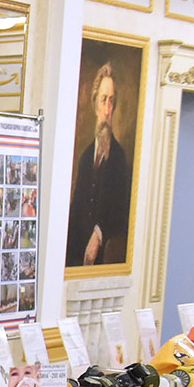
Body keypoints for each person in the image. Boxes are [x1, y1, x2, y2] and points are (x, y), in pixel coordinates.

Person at [67, 61, 133, 267]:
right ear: (95, 104)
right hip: (75, 253)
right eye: (103, 100)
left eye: (111, 101)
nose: (107, 110)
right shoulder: (86, 156)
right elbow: (76, 209)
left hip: (103, 257)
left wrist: (98, 233)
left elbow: (121, 214)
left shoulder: (119, 157)